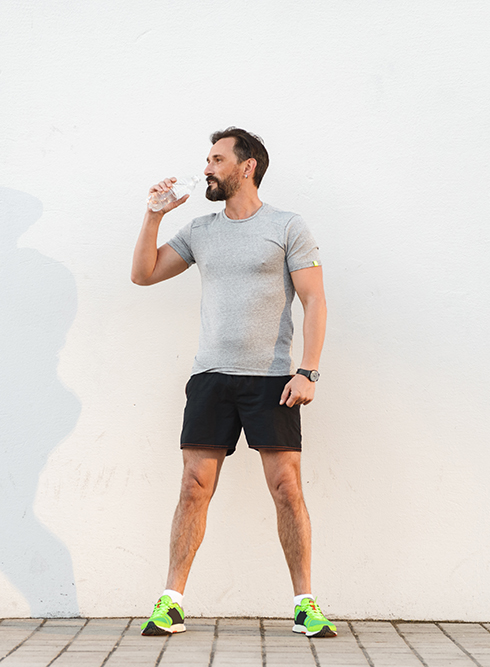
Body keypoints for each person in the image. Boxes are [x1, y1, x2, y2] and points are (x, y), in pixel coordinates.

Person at [130, 128, 336, 638]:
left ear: (247, 167)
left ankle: (305, 604)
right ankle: (171, 602)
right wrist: (154, 215)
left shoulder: (287, 225)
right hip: (212, 378)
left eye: (217, 159)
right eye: (207, 158)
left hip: (272, 380)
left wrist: (308, 370)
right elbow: (144, 273)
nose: (207, 167)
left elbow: (315, 300)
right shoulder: (201, 230)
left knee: (287, 489)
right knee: (193, 487)